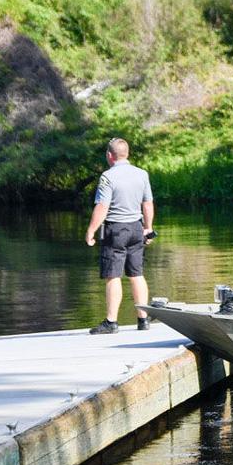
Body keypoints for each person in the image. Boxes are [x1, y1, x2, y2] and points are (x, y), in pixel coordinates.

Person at [85, 138, 155, 333]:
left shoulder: (108, 177)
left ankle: (111, 322)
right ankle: (143, 320)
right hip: (136, 228)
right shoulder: (142, 174)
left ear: (109, 155)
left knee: (113, 275)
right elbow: (147, 204)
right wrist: (148, 228)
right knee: (137, 274)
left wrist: (91, 230)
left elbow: (102, 206)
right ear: (127, 153)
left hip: (115, 229)